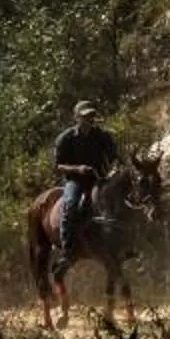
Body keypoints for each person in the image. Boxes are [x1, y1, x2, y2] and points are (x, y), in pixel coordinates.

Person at [52, 101, 119, 250]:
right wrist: (78, 169)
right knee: (70, 204)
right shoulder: (66, 138)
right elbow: (58, 165)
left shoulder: (102, 135)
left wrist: (113, 169)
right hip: (76, 180)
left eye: (91, 116)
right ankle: (67, 246)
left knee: (118, 198)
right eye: (85, 116)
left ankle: (124, 241)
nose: (90, 119)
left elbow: (114, 156)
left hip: (99, 178)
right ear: (77, 118)